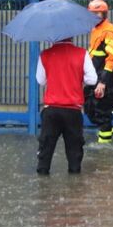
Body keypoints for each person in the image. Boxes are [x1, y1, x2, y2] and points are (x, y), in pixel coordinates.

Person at [36, 37, 98, 175]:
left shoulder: (45, 54)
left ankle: (43, 189)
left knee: (45, 151)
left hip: (51, 111)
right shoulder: (82, 53)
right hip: (73, 111)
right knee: (74, 153)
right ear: (72, 35)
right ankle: (74, 189)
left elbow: (40, 80)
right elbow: (92, 79)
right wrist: (77, 76)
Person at [85, 0, 113, 144]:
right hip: (94, 76)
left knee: (102, 112)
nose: (94, 16)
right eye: (92, 14)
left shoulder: (110, 31)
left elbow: (112, 59)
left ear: (104, 14)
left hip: (104, 79)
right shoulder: (96, 29)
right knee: (89, 107)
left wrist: (103, 82)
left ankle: (105, 149)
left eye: (97, 13)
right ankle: (110, 131)